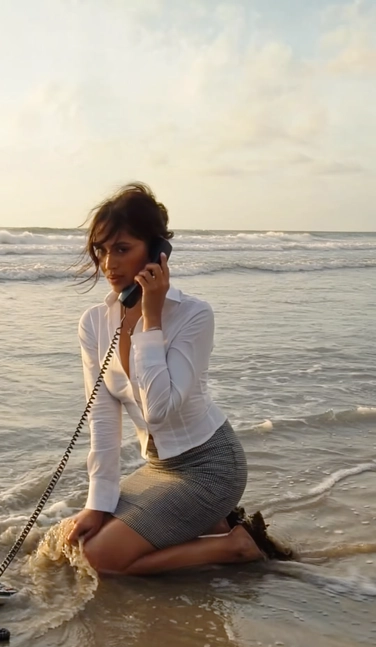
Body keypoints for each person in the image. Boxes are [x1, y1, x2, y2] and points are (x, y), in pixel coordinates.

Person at [68, 183, 291, 574]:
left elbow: (159, 410)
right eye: (101, 250)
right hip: (160, 468)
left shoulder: (193, 315)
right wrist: (96, 504)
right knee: (77, 538)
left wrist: (150, 319)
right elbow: (102, 419)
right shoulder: (94, 322)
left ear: (157, 252)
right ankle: (211, 525)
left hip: (210, 466)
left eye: (122, 249)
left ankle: (234, 546)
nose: (108, 264)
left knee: (101, 558)